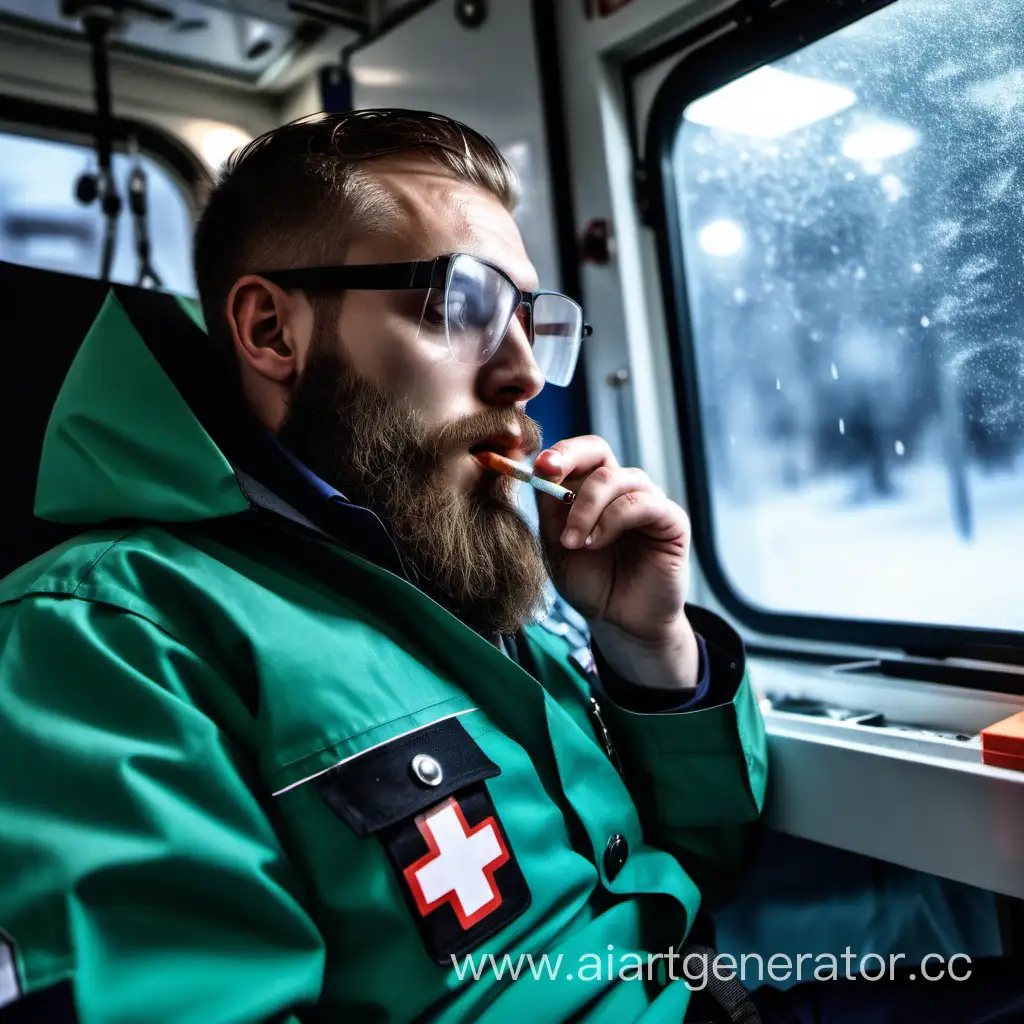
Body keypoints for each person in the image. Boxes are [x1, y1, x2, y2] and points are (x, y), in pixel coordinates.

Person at [0, 110, 1018, 1024]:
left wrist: (645, 646)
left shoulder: (468, 569)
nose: (525, 369)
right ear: (273, 329)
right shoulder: (109, 634)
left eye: (532, 318)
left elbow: (685, 863)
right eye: (461, 303)